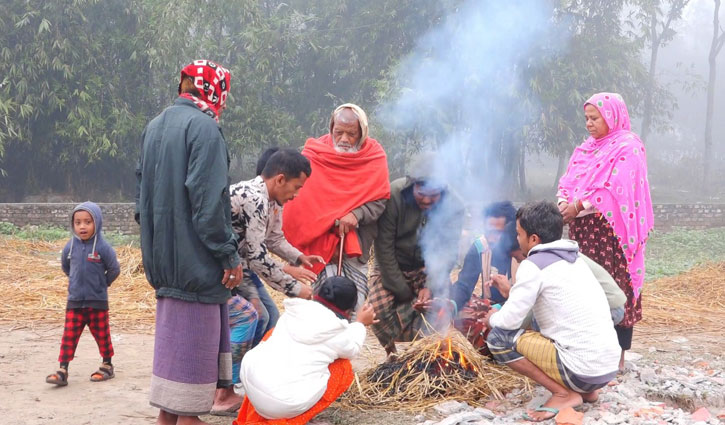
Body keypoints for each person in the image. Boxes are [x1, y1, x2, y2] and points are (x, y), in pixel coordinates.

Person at [136, 59, 243, 425]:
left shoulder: (155, 127)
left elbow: (142, 197)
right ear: (215, 91)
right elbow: (209, 203)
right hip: (197, 266)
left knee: (174, 386)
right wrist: (229, 254)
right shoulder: (205, 129)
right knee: (191, 393)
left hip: (165, 265)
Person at [484, 201, 620, 422]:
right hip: (604, 370)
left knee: (498, 338)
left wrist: (492, 318)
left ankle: (563, 393)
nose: (517, 239)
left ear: (534, 239)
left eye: (519, 234)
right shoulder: (575, 259)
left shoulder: (533, 265)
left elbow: (509, 322)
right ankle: (586, 392)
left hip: (581, 370)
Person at [557, 92, 654, 369]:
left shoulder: (628, 146)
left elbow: (615, 188)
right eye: (586, 118)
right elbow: (568, 180)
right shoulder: (586, 148)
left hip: (613, 234)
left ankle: (618, 358)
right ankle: (592, 354)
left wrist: (580, 206)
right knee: (586, 288)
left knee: (615, 287)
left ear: (611, 116)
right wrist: (564, 203)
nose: (589, 124)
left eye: (594, 118)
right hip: (583, 233)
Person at [283, 104, 390, 312]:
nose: (343, 139)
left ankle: (347, 342)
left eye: (351, 134)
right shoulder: (314, 153)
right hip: (319, 247)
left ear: (362, 133)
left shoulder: (374, 156)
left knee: (354, 306)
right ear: (331, 128)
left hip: (354, 245)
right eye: (338, 132)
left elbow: (380, 199)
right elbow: (301, 199)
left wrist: (356, 214)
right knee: (322, 307)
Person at [235, 276, 377, 425]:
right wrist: (360, 324)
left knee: (272, 336)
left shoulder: (293, 312)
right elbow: (352, 349)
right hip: (281, 405)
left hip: (252, 388)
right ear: (350, 309)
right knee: (343, 368)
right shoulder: (336, 332)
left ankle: (252, 414)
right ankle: (295, 420)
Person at [367, 152, 464, 356]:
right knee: (376, 308)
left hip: (430, 270)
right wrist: (405, 292)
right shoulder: (394, 194)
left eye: (433, 194)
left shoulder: (454, 205)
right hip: (393, 266)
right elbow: (383, 248)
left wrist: (429, 287)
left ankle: (425, 354)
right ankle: (391, 353)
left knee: (438, 309)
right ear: (412, 185)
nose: (427, 200)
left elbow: (448, 253)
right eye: (422, 193)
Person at [243, 147, 320, 346]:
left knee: (271, 317)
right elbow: (257, 258)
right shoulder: (256, 200)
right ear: (279, 179)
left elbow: (274, 239)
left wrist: (298, 257)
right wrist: (294, 288)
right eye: (296, 187)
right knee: (257, 317)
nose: (296, 194)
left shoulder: (274, 202)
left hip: (244, 268)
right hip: (233, 269)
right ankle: (238, 372)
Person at [46, 202, 120, 386]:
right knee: (69, 336)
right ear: (73, 225)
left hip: (97, 301)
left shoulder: (103, 247)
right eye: (78, 222)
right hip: (75, 301)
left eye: (88, 222)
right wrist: (76, 283)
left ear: (97, 223)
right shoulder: (70, 247)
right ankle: (63, 370)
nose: (82, 226)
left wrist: (102, 284)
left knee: (102, 335)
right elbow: (66, 267)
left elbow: (114, 269)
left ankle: (107, 365)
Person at [450, 201, 524, 309]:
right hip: (489, 308)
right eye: (488, 232)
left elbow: (527, 300)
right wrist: (452, 304)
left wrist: (497, 310)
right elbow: (464, 285)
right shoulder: (480, 247)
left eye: (497, 232)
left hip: (517, 310)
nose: (490, 238)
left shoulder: (522, 252)